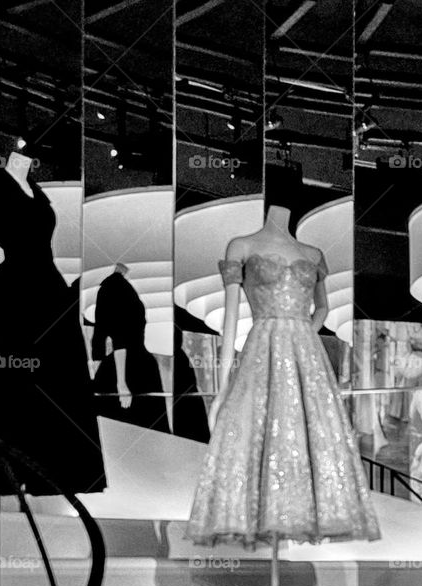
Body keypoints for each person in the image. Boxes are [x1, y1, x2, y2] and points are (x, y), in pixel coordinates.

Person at [186, 204, 380, 548]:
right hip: (263, 348)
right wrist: (222, 387)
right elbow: (230, 320)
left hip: (306, 353)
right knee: (260, 434)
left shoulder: (313, 254)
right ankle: (257, 517)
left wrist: (304, 331)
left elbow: (323, 307)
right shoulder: (241, 246)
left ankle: (299, 515)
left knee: (308, 436)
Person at [0, 136, 106, 496]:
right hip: (14, 287)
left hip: (50, 288)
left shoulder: (37, 191)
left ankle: (51, 471)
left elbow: (45, 245)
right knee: (8, 375)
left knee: (54, 380)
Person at [91, 263, 170, 433]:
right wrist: (121, 383)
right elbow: (120, 338)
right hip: (133, 366)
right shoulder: (119, 288)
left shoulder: (108, 289)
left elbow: (99, 337)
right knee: (141, 425)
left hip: (124, 365)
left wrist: (98, 372)